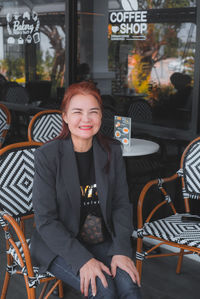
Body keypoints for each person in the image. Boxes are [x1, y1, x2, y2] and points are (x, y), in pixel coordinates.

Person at [30, 81, 141, 299]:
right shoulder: (48, 156)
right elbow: (46, 220)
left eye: (93, 112)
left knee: (129, 287)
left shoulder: (112, 151)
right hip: (59, 244)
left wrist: (120, 249)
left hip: (100, 238)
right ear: (65, 116)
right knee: (104, 290)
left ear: (101, 116)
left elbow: (121, 205)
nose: (86, 119)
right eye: (77, 112)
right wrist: (83, 260)